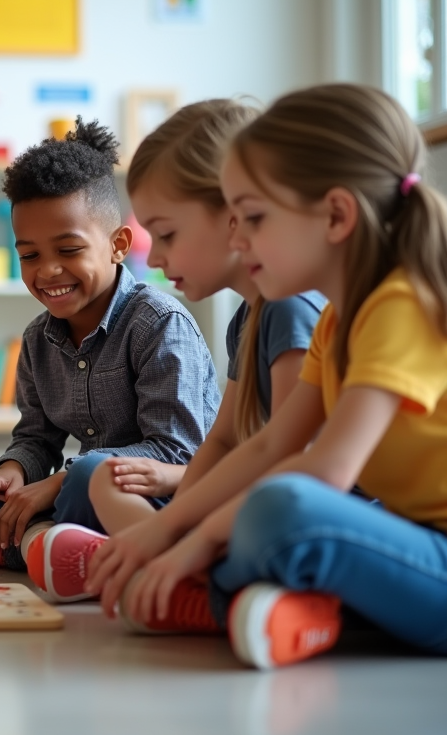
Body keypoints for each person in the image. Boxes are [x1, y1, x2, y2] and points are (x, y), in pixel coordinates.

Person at [86, 83, 447, 670]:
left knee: (281, 510)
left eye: (253, 217)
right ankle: (275, 605)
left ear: (335, 215)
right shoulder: (336, 321)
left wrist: (194, 539)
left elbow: (324, 470)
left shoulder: (398, 305)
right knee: (261, 511)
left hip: (430, 558)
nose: (239, 236)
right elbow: (272, 444)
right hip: (410, 543)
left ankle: (239, 600)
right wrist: (169, 532)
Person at [0, 118, 220, 601]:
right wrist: (12, 474)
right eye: (29, 255)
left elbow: (177, 451)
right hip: (74, 489)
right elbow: (37, 437)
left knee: (85, 475)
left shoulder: (158, 323)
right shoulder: (38, 339)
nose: (48, 270)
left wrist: (61, 482)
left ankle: (18, 542)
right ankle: (43, 542)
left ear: (118, 245)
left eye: (69, 249)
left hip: (153, 497)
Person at [33, 101, 325, 603]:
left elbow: (285, 455)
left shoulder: (287, 308)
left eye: (166, 234)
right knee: (102, 479)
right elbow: (227, 442)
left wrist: (177, 531)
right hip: (248, 494)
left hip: (299, 504)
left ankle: (167, 580)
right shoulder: (249, 318)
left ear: (234, 216)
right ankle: (155, 569)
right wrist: (172, 529)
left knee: (259, 514)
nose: (159, 257)